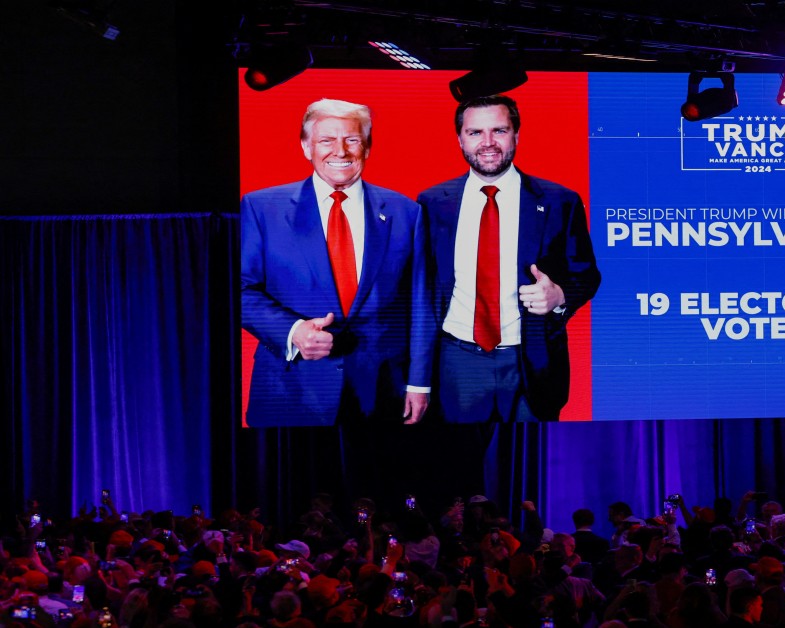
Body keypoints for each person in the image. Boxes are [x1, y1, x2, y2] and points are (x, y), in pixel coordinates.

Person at [240, 98, 434, 427]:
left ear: (367, 147)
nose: (340, 152)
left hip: (381, 393)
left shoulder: (407, 213)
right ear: (306, 146)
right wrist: (293, 330)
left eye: (352, 140)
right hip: (290, 389)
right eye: (327, 140)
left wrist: (419, 383)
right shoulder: (261, 208)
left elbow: (420, 305)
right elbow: (239, 289)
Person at [419, 94, 601, 422]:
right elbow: (417, 287)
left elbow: (586, 275)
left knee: (531, 465)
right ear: (459, 139)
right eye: (475, 133)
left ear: (517, 134)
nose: (488, 143)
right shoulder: (431, 203)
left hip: (531, 363)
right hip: (456, 364)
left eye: (499, 131)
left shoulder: (560, 201)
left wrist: (559, 295)